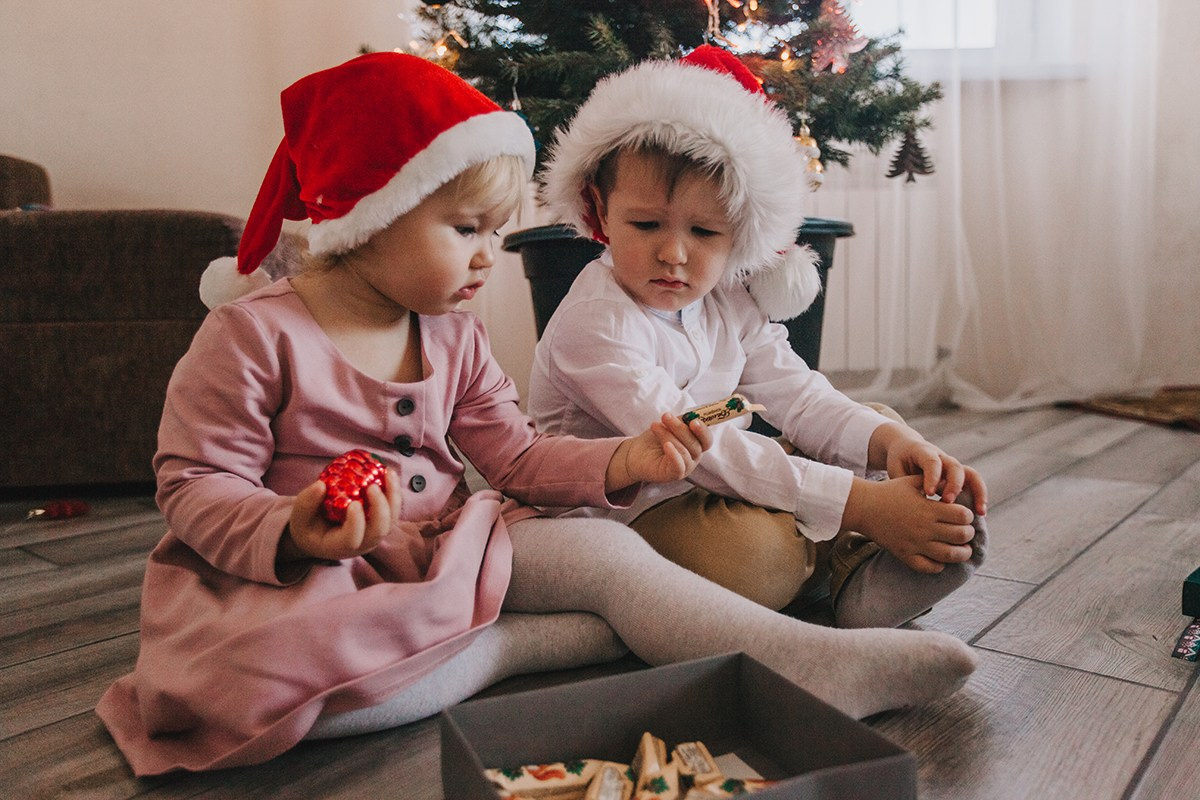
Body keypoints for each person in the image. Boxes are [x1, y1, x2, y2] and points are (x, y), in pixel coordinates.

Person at [97, 52, 977, 777]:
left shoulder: (454, 333)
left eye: (495, 230)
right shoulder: (253, 334)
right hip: (291, 579)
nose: (491, 256)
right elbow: (192, 481)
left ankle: (802, 664)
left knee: (597, 550)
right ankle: (507, 649)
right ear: (370, 217)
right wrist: (289, 528)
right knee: (248, 683)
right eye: (468, 228)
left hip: (447, 541)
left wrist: (619, 466)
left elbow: (515, 461)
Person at [529, 45, 989, 627]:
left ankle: (847, 556)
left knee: (878, 423)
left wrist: (890, 447)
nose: (673, 254)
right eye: (645, 224)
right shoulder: (595, 323)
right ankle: (848, 553)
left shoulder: (728, 299)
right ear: (599, 206)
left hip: (725, 487)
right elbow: (700, 452)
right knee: (752, 557)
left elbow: (798, 393)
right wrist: (861, 503)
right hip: (622, 522)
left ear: (739, 234)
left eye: (704, 231)